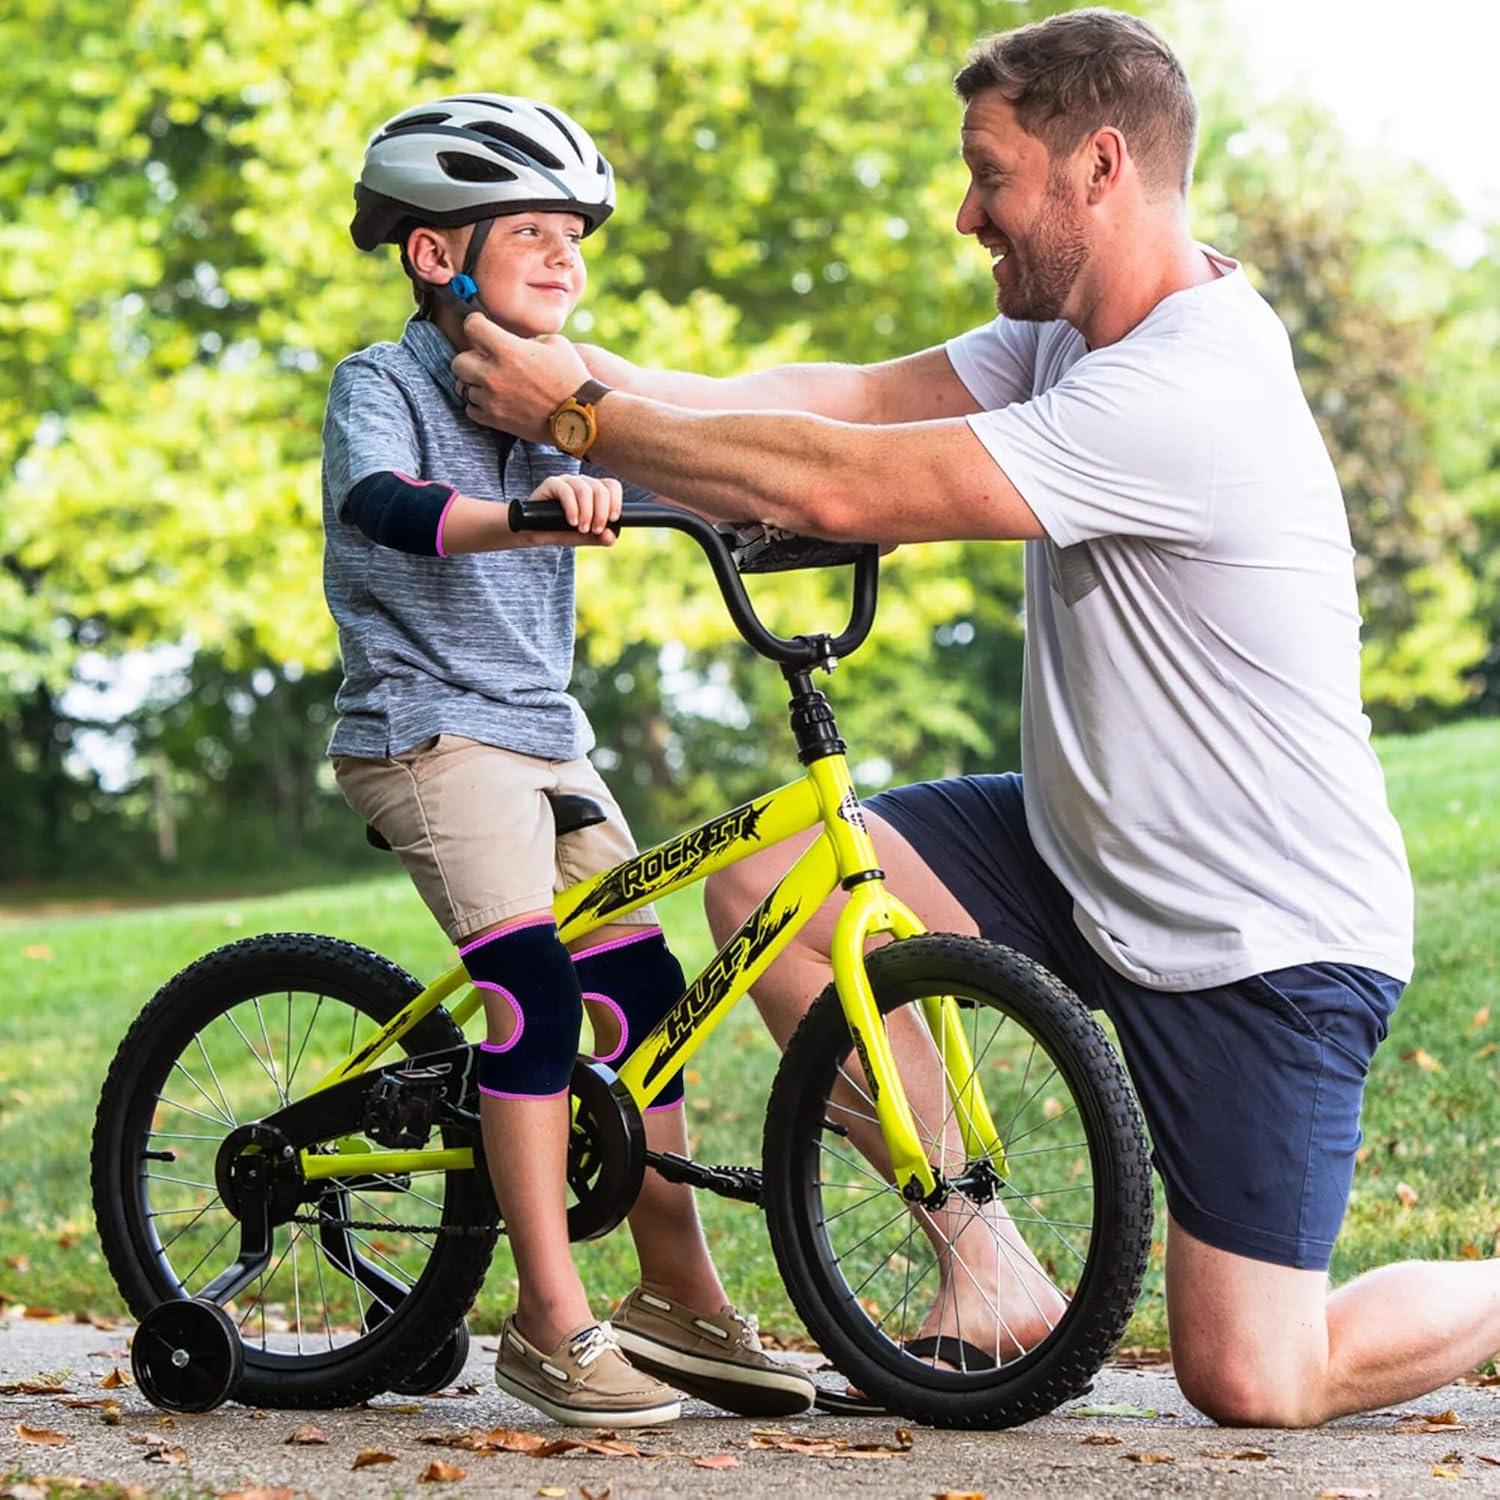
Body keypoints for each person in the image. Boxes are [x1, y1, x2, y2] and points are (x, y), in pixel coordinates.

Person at [448, 13, 1500, 1428]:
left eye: (989, 176)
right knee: (776, 878)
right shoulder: (1061, 338)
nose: (967, 214)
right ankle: (984, 1265)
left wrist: (582, 419)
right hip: (1080, 852)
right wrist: (573, 364)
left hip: (1267, 936)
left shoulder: (1186, 387)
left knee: (1258, 1374)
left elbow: (838, 486)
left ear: (1099, 166)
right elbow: (826, 406)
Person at [323, 93, 814, 1427]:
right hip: (427, 732)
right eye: (528, 230)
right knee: (533, 990)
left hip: (545, 739)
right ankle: (548, 1322)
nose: (562, 256)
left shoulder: (563, 388)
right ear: (437, 256)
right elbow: (385, 507)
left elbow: (683, 473)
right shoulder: (384, 383)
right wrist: (529, 510)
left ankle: (680, 1301)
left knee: (646, 1002)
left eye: (573, 235)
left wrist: (781, 516)